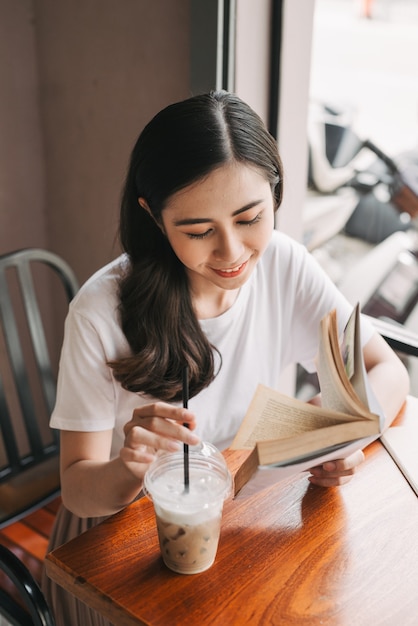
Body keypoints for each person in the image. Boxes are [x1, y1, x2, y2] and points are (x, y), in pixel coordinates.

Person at [42, 90, 409, 626]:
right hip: (120, 546)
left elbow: (386, 369)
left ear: (276, 193)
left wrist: (339, 437)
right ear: (153, 215)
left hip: (239, 522)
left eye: (250, 217)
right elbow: (78, 489)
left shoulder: (284, 265)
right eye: (198, 231)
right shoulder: (101, 312)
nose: (232, 252)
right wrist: (129, 466)